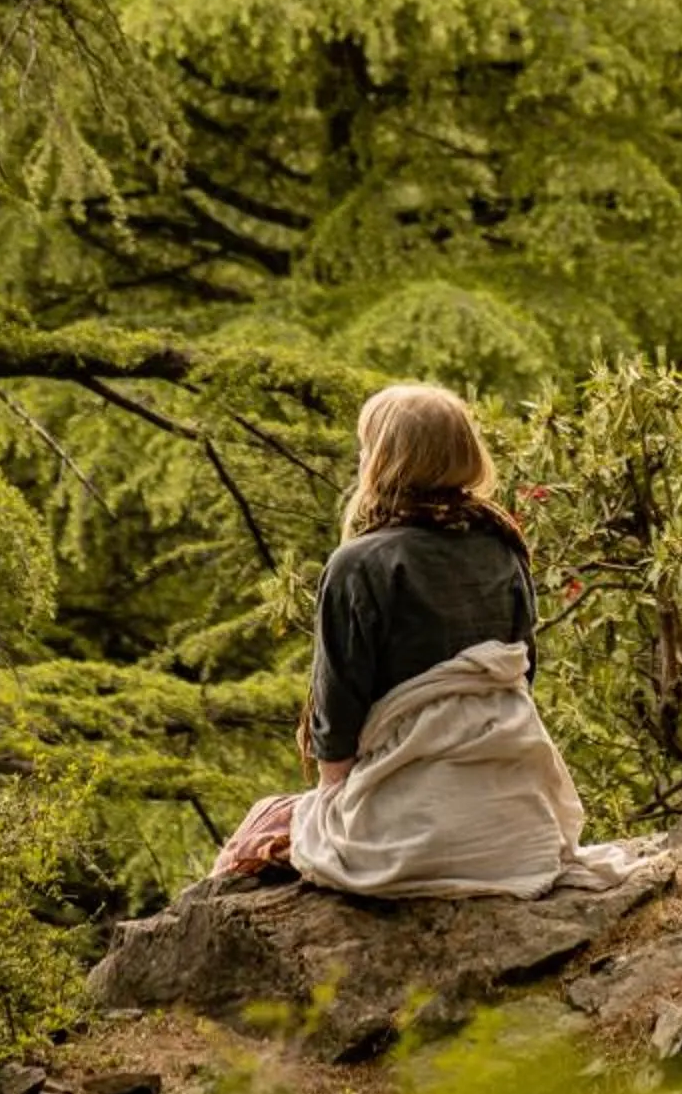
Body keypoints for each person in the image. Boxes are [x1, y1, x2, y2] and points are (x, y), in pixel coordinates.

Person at [211, 381, 629, 899]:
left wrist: (336, 806)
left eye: (367, 447)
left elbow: (338, 713)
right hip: (516, 826)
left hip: (411, 839)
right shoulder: (502, 546)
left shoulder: (358, 564)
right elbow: (521, 672)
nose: (360, 457)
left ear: (387, 460)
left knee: (264, 825)